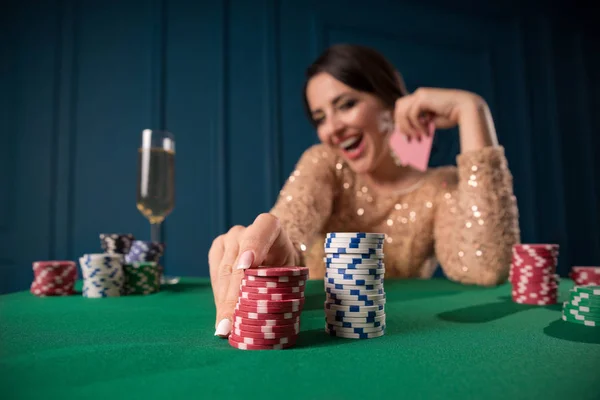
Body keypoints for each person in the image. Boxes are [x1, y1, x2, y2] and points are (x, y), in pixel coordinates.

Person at [209, 44, 520, 337]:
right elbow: (291, 224)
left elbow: (487, 268)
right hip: (325, 335)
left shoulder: (442, 186)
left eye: (346, 105)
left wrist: (472, 109)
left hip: (406, 335)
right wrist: (270, 247)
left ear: (390, 104)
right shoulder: (324, 162)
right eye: (320, 118)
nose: (331, 129)